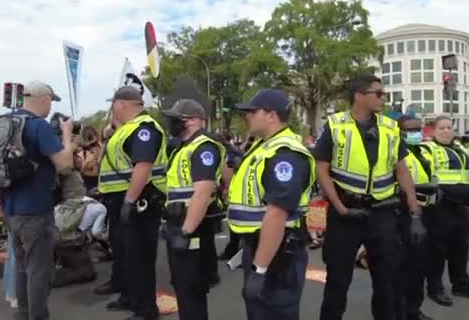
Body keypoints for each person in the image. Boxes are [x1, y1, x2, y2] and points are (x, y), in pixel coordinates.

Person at [316, 75, 424, 320]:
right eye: (378, 93)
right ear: (359, 96)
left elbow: (401, 169)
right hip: (346, 213)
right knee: (338, 281)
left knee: (388, 281)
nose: (383, 98)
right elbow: (321, 169)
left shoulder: (390, 127)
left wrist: (415, 210)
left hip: (383, 213)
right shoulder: (335, 125)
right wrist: (340, 208)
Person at [228, 89, 315, 320]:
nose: (247, 117)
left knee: (274, 313)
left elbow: (277, 213)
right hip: (262, 248)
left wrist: (260, 269)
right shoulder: (264, 146)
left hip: (277, 256)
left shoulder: (284, 154)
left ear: (271, 115)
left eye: (252, 111)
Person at [1, 80, 75, 320]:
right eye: (51, 102)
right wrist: (66, 134)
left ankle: (22, 314)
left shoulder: (7, 122)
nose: (50, 107)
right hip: (35, 209)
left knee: (23, 267)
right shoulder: (38, 126)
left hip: (10, 208)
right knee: (39, 271)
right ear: (44, 99)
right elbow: (65, 165)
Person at [98, 86, 168, 320]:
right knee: (126, 254)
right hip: (123, 198)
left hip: (140, 199)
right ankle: (129, 297)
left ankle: (146, 310)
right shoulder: (127, 129)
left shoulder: (143, 129)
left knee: (140, 257)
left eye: (113, 105)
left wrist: (129, 201)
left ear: (121, 104)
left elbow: (143, 165)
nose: (112, 109)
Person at [161, 99, 226, 320]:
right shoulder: (183, 147)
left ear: (195, 121)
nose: (173, 124)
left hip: (193, 227)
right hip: (179, 222)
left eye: (179, 119)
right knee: (183, 287)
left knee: (191, 290)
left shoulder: (203, 147)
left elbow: (203, 192)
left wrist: (186, 231)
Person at [421, 116, 469, 307]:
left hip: (461, 207)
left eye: (450, 127)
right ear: (432, 131)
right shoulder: (427, 150)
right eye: (442, 128)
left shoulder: (461, 149)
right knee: (437, 252)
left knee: (461, 249)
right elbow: (424, 177)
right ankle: (435, 288)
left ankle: (461, 285)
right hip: (439, 208)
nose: (447, 131)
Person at [397, 116, 436, 320]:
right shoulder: (395, 154)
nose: (416, 133)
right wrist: (418, 189)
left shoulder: (423, 151)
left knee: (419, 266)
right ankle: (401, 311)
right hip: (403, 215)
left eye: (418, 129)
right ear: (400, 132)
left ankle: (414, 310)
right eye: (410, 130)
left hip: (425, 212)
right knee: (405, 267)